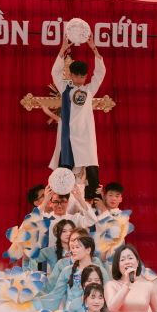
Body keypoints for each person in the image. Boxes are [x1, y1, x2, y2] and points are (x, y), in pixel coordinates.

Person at [48, 35, 106, 200]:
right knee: (65, 173)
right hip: (68, 137)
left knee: (91, 171)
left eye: (82, 77)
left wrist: (94, 49)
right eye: (76, 76)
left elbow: (100, 73)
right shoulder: (64, 88)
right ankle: (62, 201)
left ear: (86, 77)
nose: (80, 80)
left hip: (86, 135)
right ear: (71, 75)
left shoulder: (89, 90)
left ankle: (93, 204)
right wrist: (62, 50)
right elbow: (55, 72)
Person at [37, 235, 108, 312]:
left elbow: (107, 295)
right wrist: (33, 303)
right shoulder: (67, 271)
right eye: (73, 248)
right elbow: (55, 295)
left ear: (88, 250)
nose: (73, 250)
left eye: (77, 247)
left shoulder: (100, 270)